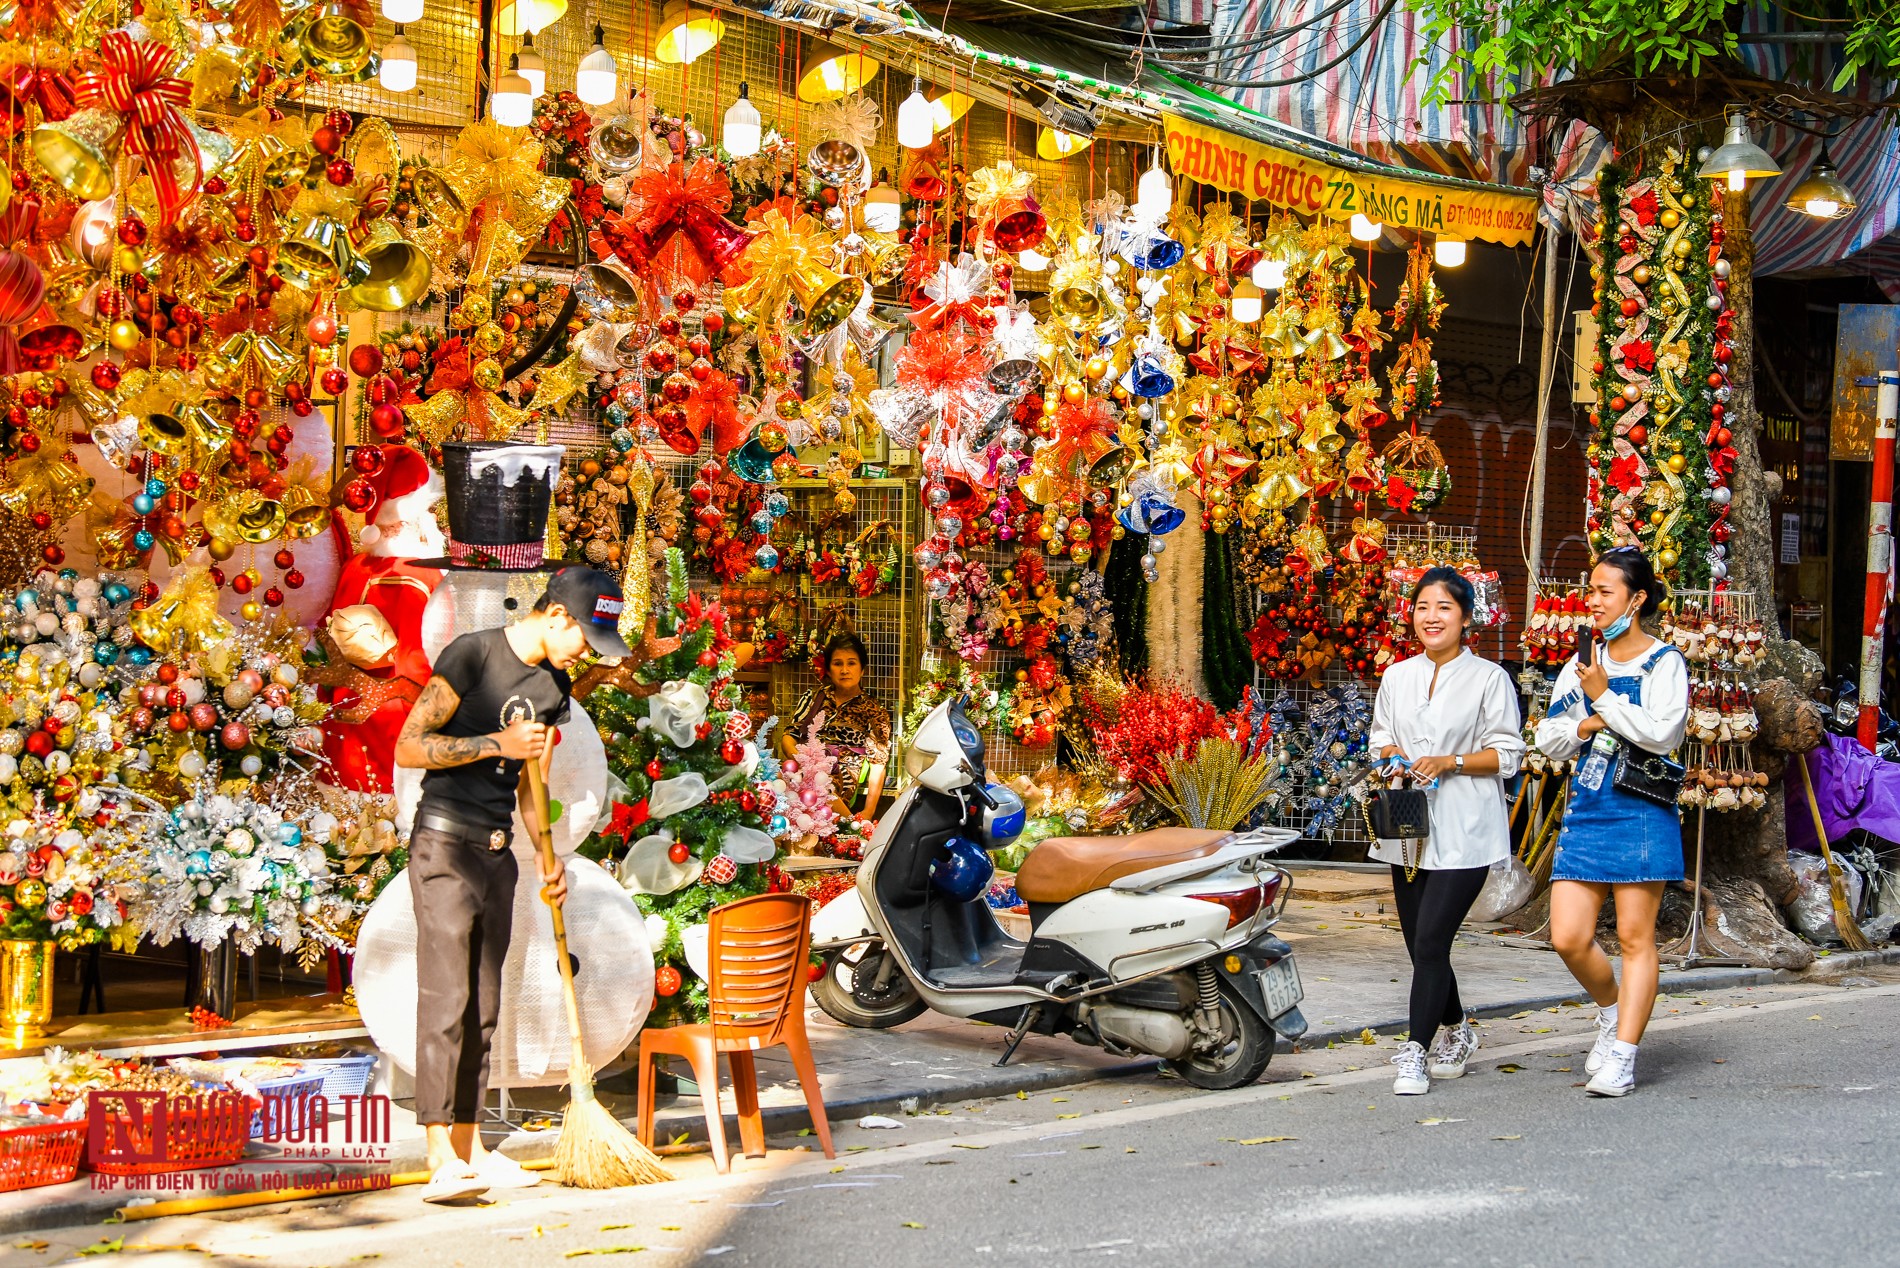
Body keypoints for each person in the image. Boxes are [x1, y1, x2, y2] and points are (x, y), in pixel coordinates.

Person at [394, 566, 630, 1203]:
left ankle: (470, 1150)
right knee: (446, 1001)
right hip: (444, 843)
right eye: (586, 637)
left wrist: (548, 855)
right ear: (557, 616)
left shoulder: (554, 685)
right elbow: (410, 748)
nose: (586, 652)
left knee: (485, 1004)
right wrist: (491, 740)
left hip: (500, 851)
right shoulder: (473, 654)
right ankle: (440, 1155)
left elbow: (533, 781)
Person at [1533, 547, 1688, 1098]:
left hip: (1643, 810)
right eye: (1591, 590)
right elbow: (1549, 738)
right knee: (1568, 937)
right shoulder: (1580, 665)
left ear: (1636, 598)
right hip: (1588, 810)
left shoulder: (1663, 662)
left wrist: (1603, 701)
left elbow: (1663, 733)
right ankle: (1610, 1012)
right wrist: (1582, 724)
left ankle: (1623, 1056)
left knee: (1634, 937)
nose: (1592, 601)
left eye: (1605, 591)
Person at [1368, 567, 1525, 1097]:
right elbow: (1381, 739)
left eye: (1443, 608)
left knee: (1433, 937)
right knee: (1419, 945)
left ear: (1464, 618)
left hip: (1468, 828)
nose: (1430, 617)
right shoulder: (1397, 676)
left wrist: (1451, 760)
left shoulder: (1489, 679)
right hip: (1407, 823)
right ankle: (1458, 1030)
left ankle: (1414, 1050)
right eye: (1422, 607)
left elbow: (1507, 754)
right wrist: (1394, 759)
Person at [781, 632, 892, 818]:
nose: (844, 670)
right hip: (803, 766)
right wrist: (805, 762)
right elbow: (788, 737)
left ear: (862, 669)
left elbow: (878, 764)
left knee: (820, 787)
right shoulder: (813, 698)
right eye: (838, 663)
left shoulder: (874, 710)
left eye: (851, 663)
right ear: (829, 670)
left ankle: (848, 823)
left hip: (840, 776)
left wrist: (869, 811)